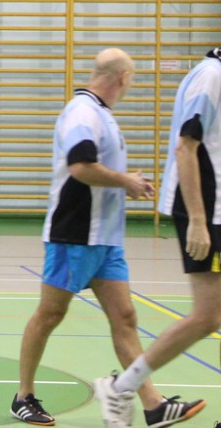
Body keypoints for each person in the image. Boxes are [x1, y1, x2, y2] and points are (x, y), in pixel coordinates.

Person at [10, 48, 202, 428]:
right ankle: (23, 396)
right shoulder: (82, 112)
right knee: (50, 314)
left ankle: (153, 404)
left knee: (125, 317)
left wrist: (126, 181)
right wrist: (126, 181)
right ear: (123, 77)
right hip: (74, 235)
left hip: (107, 240)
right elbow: (80, 167)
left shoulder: (103, 114)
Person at [92, 48, 220, 428]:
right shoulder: (211, 76)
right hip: (207, 211)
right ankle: (122, 386)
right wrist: (198, 220)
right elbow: (186, 147)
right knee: (207, 316)